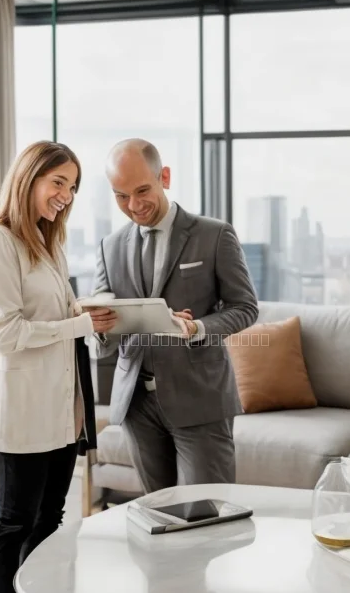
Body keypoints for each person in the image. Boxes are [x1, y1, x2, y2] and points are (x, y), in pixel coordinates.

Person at [0, 141, 116, 593]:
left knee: (48, 526)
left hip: (58, 408)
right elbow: (2, 333)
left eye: (72, 187)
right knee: (14, 525)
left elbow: (54, 317)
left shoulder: (49, 245)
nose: (65, 195)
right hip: (20, 411)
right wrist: (78, 325)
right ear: (29, 178)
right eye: (58, 182)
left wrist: (90, 312)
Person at [88, 138, 258, 493]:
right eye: (121, 195)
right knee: (159, 512)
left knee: (208, 512)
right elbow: (103, 334)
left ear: (164, 176)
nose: (133, 205)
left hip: (199, 398)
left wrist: (197, 327)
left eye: (142, 190)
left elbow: (245, 308)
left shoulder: (214, 235)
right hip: (137, 404)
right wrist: (100, 328)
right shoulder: (110, 247)